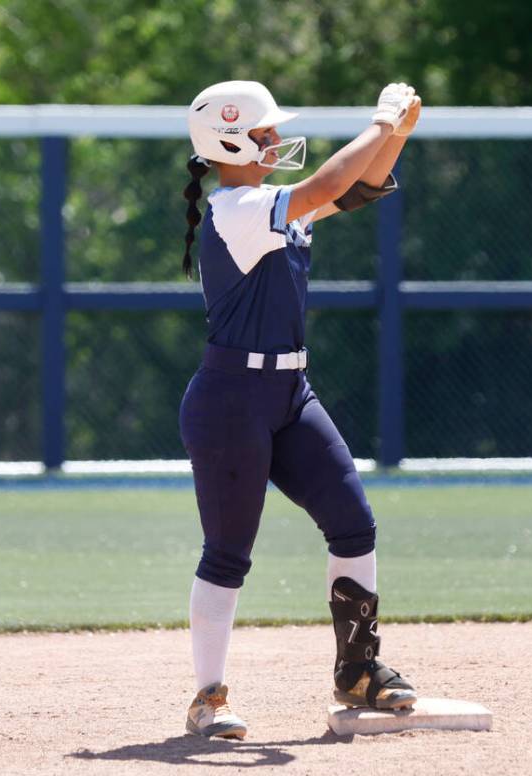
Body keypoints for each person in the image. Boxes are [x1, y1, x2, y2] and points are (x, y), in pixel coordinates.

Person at [178, 80, 422, 739]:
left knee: (354, 523)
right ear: (229, 140)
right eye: (264, 133)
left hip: (289, 393)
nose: (275, 141)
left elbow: (356, 187)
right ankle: (208, 695)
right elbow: (322, 186)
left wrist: (395, 134)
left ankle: (358, 669)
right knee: (228, 552)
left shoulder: (266, 204)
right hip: (231, 399)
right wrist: (379, 121)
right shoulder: (237, 206)